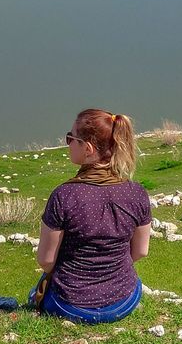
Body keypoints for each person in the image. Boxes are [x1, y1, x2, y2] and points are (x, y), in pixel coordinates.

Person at [29, 108, 151, 323]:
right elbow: (140, 252)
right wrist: (108, 269)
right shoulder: (137, 192)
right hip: (124, 300)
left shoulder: (63, 195)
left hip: (72, 306)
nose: (68, 143)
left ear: (87, 148)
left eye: (70, 138)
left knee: (38, 289)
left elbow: (46, 261)